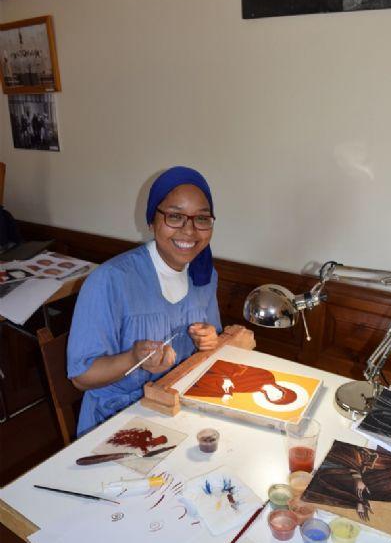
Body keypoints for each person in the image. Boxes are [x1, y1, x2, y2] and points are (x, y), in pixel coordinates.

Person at [67, 166, 221, 436]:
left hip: (178, 411)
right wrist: (132, 358)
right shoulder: (110, 281)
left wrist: (210, 341)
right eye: (175, 216)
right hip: (116, 422)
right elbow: (81, 377)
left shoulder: (205, 276)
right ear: (152, 220)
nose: (189, 231)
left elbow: (213, 348)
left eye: (202, 219)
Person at [302, 440, 391, 526]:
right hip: (334, 461)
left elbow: (363, 492)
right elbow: (365, 455)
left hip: (328, 478)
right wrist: (358, 478)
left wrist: (359, 502)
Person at [185, 359, 298, 406]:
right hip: (226, 369)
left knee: (214, 391)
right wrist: (227, 379)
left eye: (272, 398)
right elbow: (242, 369)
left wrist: (227, 391)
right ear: (282, 389)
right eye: (278, 395)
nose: (273, 395)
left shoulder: (253, 391)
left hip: (219, 381)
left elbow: (234, 388)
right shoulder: (268, 376)